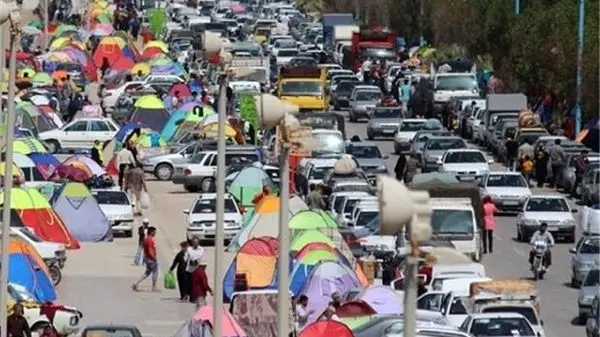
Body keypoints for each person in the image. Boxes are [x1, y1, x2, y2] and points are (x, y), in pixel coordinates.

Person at [132, 226, 159, 292]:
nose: (155, 233)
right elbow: (150, 250)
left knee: (147, 273)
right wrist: (154, 258)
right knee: (155, 272)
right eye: (154, 232)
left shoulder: (146, 239)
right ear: (151, 232)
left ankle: (136, 283)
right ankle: (154, 287)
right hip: (151, 259)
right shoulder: (150, 240)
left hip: (147, 258)